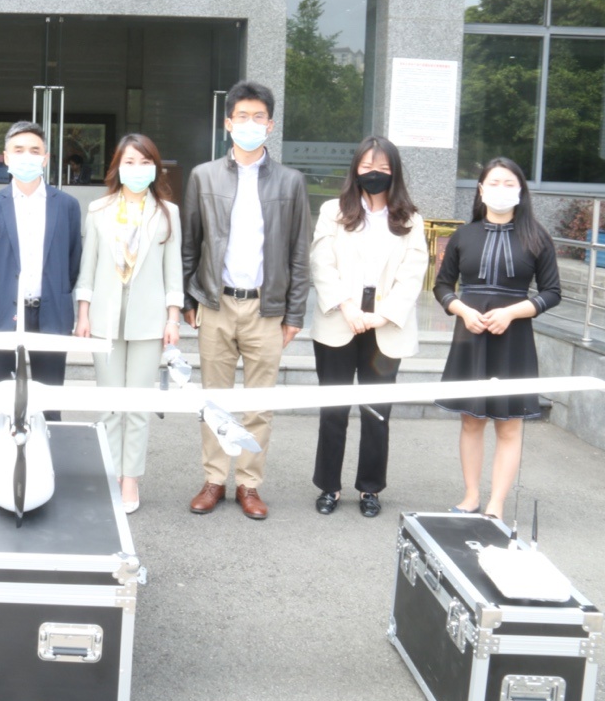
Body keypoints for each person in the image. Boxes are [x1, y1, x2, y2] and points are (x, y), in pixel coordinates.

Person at [181, 81, 311, 520]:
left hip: (265, 308)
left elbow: (299, 252)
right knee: (214, 400)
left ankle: (249, 485)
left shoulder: (291, 182)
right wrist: (189, 300)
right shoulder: (204, 176)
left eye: (258, 117)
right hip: (216, 304)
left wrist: (294, 313)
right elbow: (191, 243)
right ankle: (214, 479)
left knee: (259, 405)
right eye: (242, 117)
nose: (250, 124)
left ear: (270, 125)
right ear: (228, 123)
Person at [434, 157, 560, 519]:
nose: (501, 190)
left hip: (514, 340)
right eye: (494, 183)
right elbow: (442, 285)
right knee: (471, 420)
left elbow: (552, 292)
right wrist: (461, 310)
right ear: (481, 189)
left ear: (521, 190)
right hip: (470, 336)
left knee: (509, 424)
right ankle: (471, 496)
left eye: (509, 184)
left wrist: (512, 313)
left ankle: (496, 504)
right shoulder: (464, 235)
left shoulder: (537, 237)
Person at [309, 136, 427, 519]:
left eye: (383, 168)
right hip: (339, 320)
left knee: (377, 412)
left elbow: (413, 274)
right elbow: (321, 262)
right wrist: (346, 305)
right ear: (355, 169)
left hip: (384, 326)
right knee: (334, 409)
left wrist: (382, 315)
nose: (374, 173)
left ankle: (370, 488)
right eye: (367, 166)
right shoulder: (333, 211)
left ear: (395, 172)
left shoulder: (410, 219)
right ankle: (329, 485)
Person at [75, 134, 183, 514]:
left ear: (155, 168)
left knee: (137, 403)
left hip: (149, 321)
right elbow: (88, 266)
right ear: (117, 167)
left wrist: (173, 319)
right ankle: (109, 472)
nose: (137, 169)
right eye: (130, 162)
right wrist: (83, 313)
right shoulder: (98, 209)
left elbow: (173, 271)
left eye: (145, 162)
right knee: (109, 403)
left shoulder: (167, 212)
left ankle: (130, 477)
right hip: (104, 318)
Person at [0, 121, 82, 419]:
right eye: (19, 150)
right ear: (6, 157)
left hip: (51, 313)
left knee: (49, 402)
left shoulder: (67, 206)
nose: (27, 157)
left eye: (35, 151)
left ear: (45, 158)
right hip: (4, 313)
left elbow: (72, 260)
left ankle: (47, 448)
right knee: (2, 401)